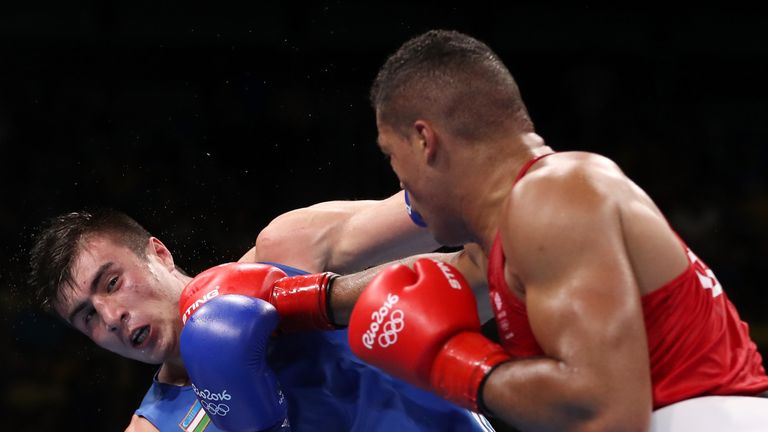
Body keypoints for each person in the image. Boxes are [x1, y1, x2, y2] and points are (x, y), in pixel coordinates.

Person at [345, 29, 768, 431]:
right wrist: (300, 298)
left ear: (424, 139)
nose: (399, 178)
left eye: (390, 155)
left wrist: (451, 362)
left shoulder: (554, 197)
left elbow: (606, 415)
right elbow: (416, 285)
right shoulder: (513, 239)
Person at [27, 191, 495, 432]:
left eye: (111, 283)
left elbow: (446, 209)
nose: (110, 317)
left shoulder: (287, 248)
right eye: (87, 317)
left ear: (160, 253)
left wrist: (310, 300)